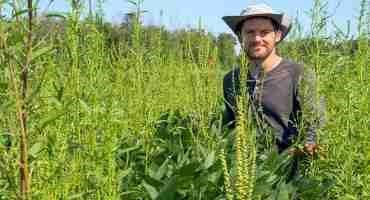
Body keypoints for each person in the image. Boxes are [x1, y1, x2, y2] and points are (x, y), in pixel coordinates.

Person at [221, 4, 324, 155]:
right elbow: (231, 127)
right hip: (245, 170)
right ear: (240, 36)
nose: (257, 39)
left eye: (264, 32)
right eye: (250, 32)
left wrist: (306, 147)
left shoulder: (298, 73)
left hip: (287, 169)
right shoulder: (231, 79)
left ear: (277, 35)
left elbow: (315, 123)